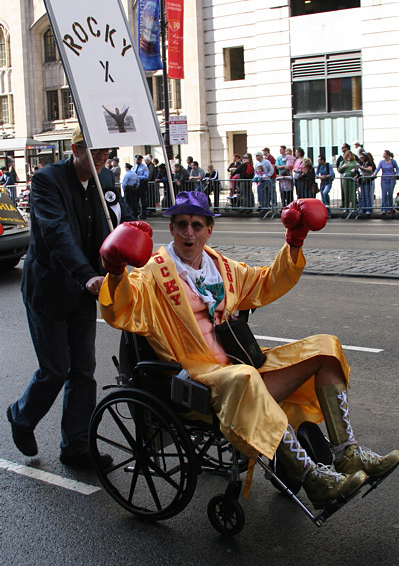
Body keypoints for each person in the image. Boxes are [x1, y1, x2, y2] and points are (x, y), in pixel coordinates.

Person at [98, 191, 399, 510]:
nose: (189, 233)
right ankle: (312, 477)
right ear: (171, 228)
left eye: (197, 225)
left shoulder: (222, 268)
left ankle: (347, 454)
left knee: (327, 347)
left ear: (209, 230)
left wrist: (295, 240)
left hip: (243, 364)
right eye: (182, 224)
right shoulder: (152, 275)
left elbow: (268, 282)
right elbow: (122, 312)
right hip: (199, 381)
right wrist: (117, 273)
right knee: (244, 377)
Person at [7, 125, 134, 468]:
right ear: (75, 149)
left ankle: (76, 447)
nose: (102, 159)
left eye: (107, 153)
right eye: (94, 152)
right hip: (49, 289)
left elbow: (117, 224)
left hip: (84, 290)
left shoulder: (105, 180)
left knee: (84, 370)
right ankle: (21, 416)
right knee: (55, 369)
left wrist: (139, 253)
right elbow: (56, 231)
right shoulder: (47, 180)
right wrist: (87, 275)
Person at [374, 150, 399, 215]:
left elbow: (397, 168)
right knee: (384, 194)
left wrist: (396, 174)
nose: (383, 154)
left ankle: (390, 208)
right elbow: (378, 168)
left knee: (390, 194)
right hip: (384, 179)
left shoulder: (393, 161)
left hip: (391, 179)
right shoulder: (381, 162)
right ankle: (384, 209)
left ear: (388, 155)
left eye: (384, 153)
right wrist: (375, 173)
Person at [133, 154, 149, 219]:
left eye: (139, 160)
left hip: (142, 185)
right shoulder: (135, 167)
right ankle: (136, 213)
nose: (137, 161)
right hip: (136, 186)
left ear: (141, 160)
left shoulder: (144, 167)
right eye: (137, 160)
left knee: (143, 201)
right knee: (135, 200)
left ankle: (144, 214)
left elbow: (146, 176)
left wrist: (137, 177)